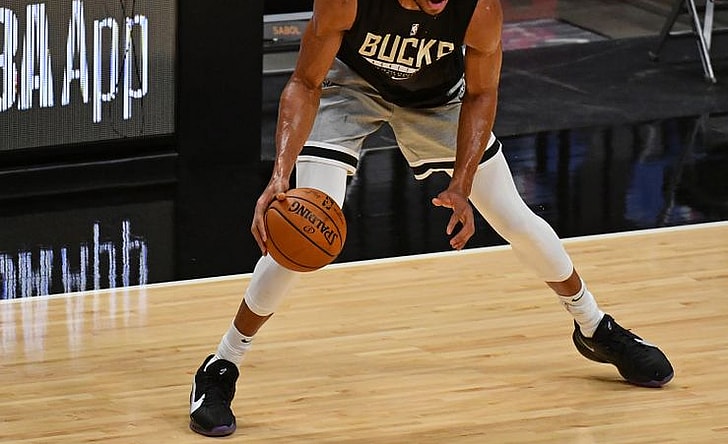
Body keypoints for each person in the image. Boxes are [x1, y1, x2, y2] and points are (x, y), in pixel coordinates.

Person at [189, 0, 674, 437]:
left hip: (438, 99)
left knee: (513, 218)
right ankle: (221, 364)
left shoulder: (479, 9)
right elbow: (305, 82)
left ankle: (594, 327)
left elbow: (482, 94)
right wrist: (280, 175)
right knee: (300, 234)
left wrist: (461, 182)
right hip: (349, 87)